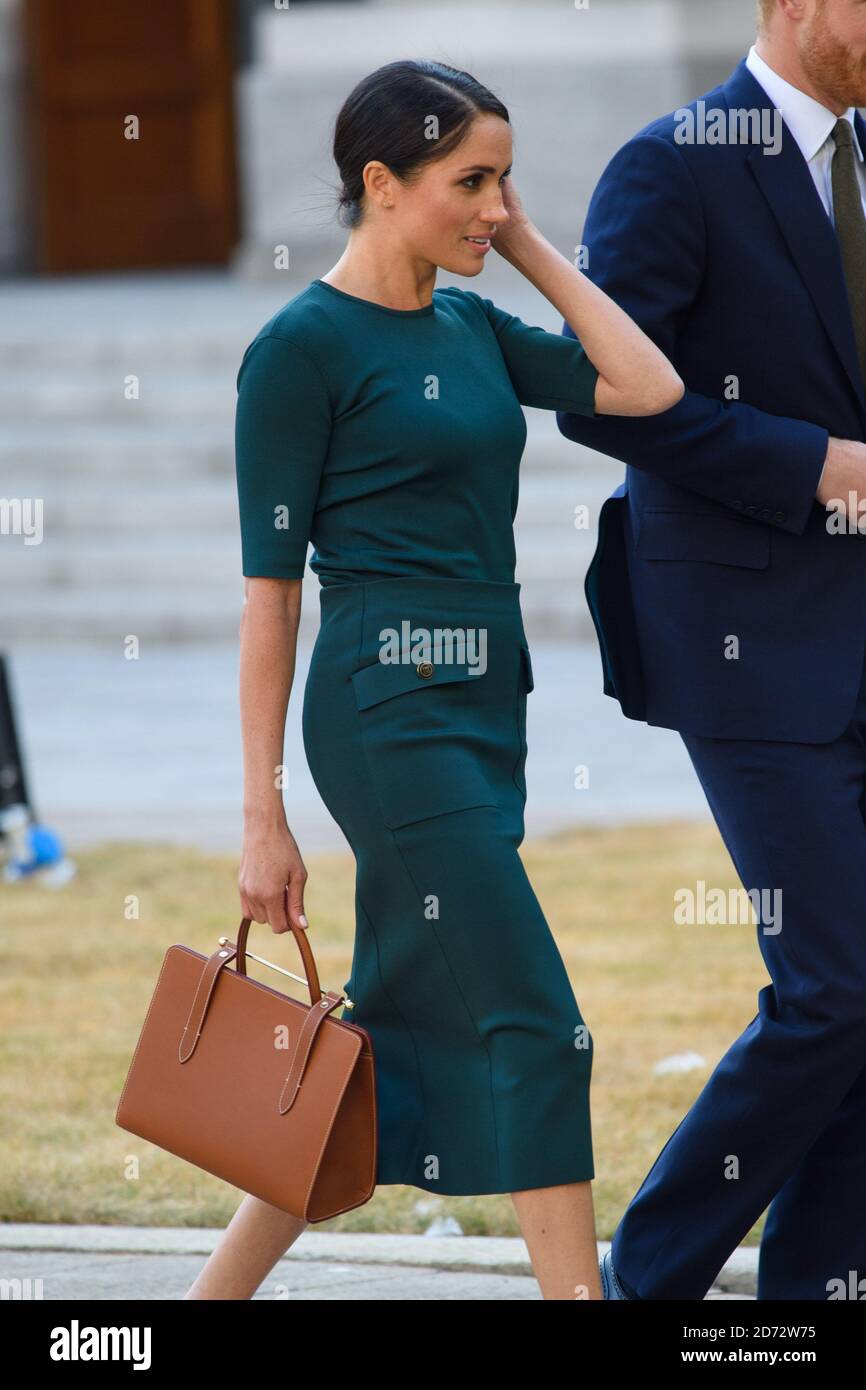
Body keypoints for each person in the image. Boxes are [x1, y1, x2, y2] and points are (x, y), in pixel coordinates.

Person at [183, 58, 681, 1301]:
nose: (493, 207)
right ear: (378, 182)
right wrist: (263, 814)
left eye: (504, 181)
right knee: (538, 1024)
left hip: (481, 709)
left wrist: (523, 250)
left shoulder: (467, 324)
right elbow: (270, 596)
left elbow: (644, 385)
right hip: (383, 713)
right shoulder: (298, 350)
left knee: (373, 1046)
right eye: (469, 182)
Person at [557, 0, 866, 1300]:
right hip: (748, 646)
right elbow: (602, 395)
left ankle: (813, 1292)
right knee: (836, 984)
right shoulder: (669, 164)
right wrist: (814, 469)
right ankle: (653, 1275)